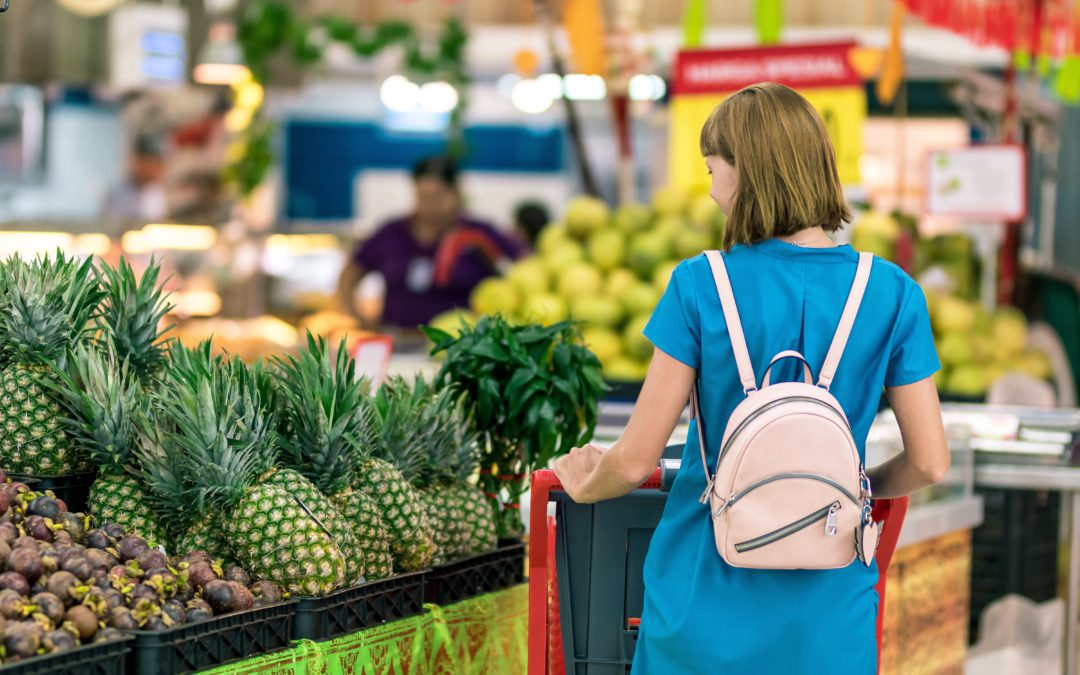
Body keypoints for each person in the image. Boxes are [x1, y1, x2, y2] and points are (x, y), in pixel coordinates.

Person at [554, 82, 950, 674]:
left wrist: (587, 482)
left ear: (746, 174)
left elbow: (636, 459)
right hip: (830, 613)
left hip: (701, 602)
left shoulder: (700, 285)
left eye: (713, 169)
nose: (712, 189)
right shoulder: (892, 294)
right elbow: (930, 463)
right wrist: (844, 490)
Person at [338, 156, 525, 330]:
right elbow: (349, 276)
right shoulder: (391, 233)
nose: (428, 205)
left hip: (462, 347)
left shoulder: (478, 233)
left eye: (436, 196)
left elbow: (525, 266)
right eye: (422, 196)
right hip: (397, 341)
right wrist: (359, 320)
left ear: (455, 193)